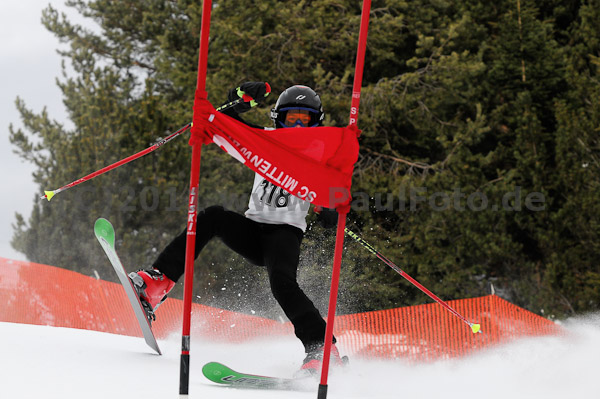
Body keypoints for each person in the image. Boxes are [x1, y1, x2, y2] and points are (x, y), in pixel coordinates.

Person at [129, 82, 345, 375]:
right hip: (253, 230)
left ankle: (322, 348)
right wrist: (239, 101)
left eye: (303, 119)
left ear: (315, 122)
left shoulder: (320, 157)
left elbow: (333, 204)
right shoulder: (265, 142)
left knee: (282, 283)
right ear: (278, 119)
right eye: (289, 117)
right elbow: (229, 125)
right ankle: (158, 283)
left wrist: (331, 207)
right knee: (213, 217)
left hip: (284, 234)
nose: (295, 124)